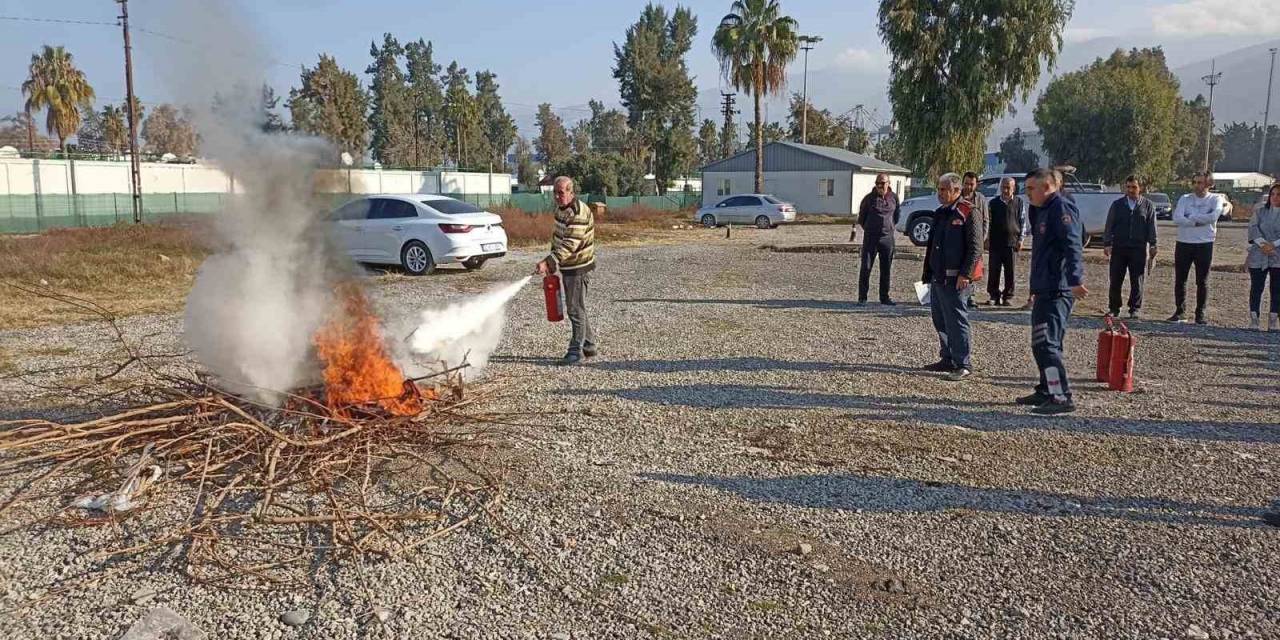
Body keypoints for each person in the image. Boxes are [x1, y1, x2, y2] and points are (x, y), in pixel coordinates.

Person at [1020, 168, 1087, 416]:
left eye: (1031, 189)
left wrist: (1075, 279)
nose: (1027, 194)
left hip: (1058, 289)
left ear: (1047, 187)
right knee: (1041, 342)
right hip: (1045, 287)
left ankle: (1060, 396)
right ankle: (1047, 389)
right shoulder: (1044, 209)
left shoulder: (1060, 208)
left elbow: (1073, 245)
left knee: (1047, 343)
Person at [921, 173, 982, 382]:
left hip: (957, 279)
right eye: (939, 189)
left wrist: (966, 273)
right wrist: (927, 272)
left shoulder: (968, 212)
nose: (940, 193)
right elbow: (932, 246)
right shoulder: (940, 213)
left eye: (944, 190)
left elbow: (976, 247)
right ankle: (947, 357)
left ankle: (963, 363)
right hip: (938, 277)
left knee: (957, 320)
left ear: (957, 191)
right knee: (940, 319)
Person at [535, 176, 597, 365]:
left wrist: (550, 261)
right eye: (554, 192)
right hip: (568, 266)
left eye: (560, 193)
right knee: (578, 307)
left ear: (571, 191)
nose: (557, 196)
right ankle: (589, 345)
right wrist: (551, 261)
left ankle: (575, 351)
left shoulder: (578, 212)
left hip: (578, 268)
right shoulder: (561, 210)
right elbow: (558, 238)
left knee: (574, 309)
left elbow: (570, 244)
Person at [1169, 172, 1224, 325]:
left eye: (1201, 183)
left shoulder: (1216, 199)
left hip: (1204, 243)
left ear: (1209, 184)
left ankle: (1200, 314)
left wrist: (1191, 217)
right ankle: (1180, 312)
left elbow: (1213, 217)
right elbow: (1177, 218)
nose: (1197, 186)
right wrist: (1196, 221)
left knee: (1202, 280)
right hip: (1184, 242)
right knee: (1180, 279)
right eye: (1195, 182)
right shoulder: (1185, 199)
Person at [1103, 175, 1159, 319]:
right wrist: (1107, 243)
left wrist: (1153, 244)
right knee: (1115, 279)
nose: (1130, 190)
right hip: (1119, 248)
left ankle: (1134, 308)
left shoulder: (1148, 205)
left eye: (1134, 187)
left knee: (1137, 279)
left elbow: (1152, 227)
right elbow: (1109, 225)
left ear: (1140, 188)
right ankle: (1114, 307)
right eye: (1128, 187)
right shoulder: (1117, 205)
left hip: (1138, 248)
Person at [856, 173, 900, 305]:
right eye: (877, 183)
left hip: (887, 238)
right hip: (871, 238)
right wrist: (871, 229)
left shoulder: (894, 198)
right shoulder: (869, 199)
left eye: (882, 183)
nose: (879, 186)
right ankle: (862, 297)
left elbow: (896, 216)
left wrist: (889, 227)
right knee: (866, 267)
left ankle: (884, 297)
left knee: (886, 268)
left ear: (888, 183)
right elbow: (862, 218)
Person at [986, 177, 1028, 306]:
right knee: (994, 270)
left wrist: (1021, 239)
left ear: (1013, 188)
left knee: (1010, 271)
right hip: (995, 243)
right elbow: (988, 222)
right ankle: (994, 295)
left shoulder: (1019, 202)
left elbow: (1023, 222)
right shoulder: (993, 203)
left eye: (1008, 187)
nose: (1005, 190)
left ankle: (1007, 297)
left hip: (1012, 242)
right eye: (1003, 187)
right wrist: (986, 239)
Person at [1246, 182, 1280, 330]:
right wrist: (1263, 244)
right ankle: (1254, 318)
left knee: (1276, 288)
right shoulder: (1260, 211)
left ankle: (1273, 319)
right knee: (1256, 287)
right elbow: (1253, 228)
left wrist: (1273, 245)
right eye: (1273, 194)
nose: (1275, 197)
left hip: (1277, 254)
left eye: (1279, 195)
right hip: (1258, 254)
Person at [960, 172, 989, 310]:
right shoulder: (956, 197)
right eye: (966, 183)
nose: (969, 187)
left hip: (974, 240)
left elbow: (985, 220)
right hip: (959, 239)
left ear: (976, 185)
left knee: (973, 269)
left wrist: (981, 240)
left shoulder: (981, 199)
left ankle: (970, 296)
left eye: (971, 184)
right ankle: (960, 294)